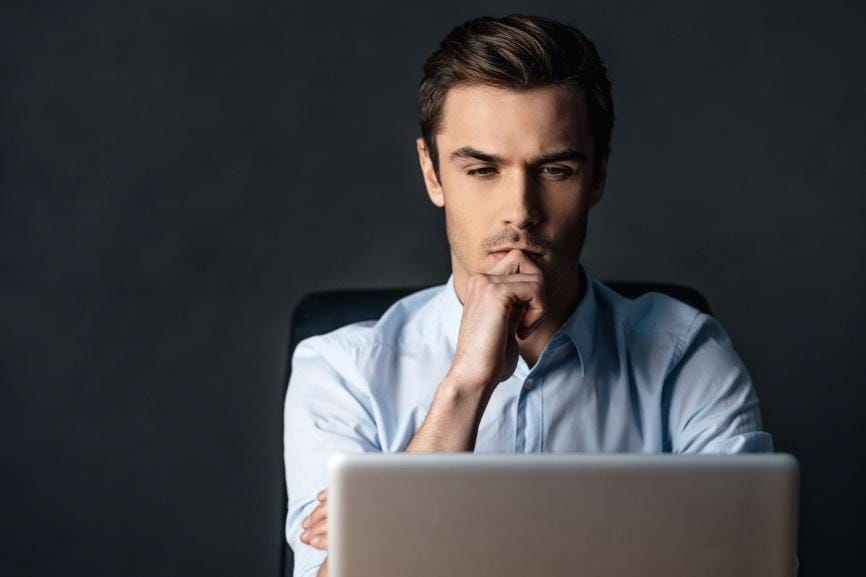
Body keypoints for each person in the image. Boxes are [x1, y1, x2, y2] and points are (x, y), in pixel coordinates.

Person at [283, 14, 773, 577]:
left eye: (555, 169)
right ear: (432, 173)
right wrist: (467, 383)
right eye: (482, 169)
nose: (520, 210)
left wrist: (394, 517)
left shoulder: (686, 354)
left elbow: (750, 564)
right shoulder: (341, 369)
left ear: (597, 177)